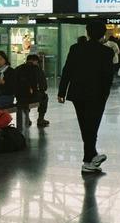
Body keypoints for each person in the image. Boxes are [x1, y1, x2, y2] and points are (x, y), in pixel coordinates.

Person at [58, 21, 114, 174]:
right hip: (97, 95)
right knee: (92, 126)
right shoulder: (107, 52)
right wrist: (105, 95)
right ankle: (88, 160)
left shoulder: (75, 48)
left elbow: (67, 70)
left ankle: (92, 155)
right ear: (103, 34)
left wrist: (61, 92)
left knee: (85, 125)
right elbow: (108, 77)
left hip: (77, 93)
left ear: (88, 32)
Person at [14, 54, 50, 128]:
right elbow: (44, 87)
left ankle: (27, 118)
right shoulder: (38, 70)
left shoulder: (18, 69)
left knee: (24, 97)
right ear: (35, 61)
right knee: (44, 97)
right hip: (32, 98)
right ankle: (40, 119)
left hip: (19, 98)